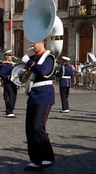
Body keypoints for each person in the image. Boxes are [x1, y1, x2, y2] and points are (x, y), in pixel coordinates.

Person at [23, 40, 55, 171]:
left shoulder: (49, 57)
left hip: (44, 95)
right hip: (33, 95)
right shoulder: (32, 58)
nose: (31, 45)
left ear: (42, 42)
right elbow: (26, 75)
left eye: (33, 43)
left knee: (38, 127)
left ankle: (48, 156)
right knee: (29, 129)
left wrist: (29, 63)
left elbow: (43, 70)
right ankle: (35, 159)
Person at [0, 50, 17, 118]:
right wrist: (8, 77)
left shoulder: (11, 64)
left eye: (11, 55)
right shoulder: (4, 65)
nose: (11, 57)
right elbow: (1, 74)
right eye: (10, 55)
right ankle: (9, 111)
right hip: (8, 83)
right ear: (6, 56)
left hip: (13, 83)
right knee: (9, 97)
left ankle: (11, 110)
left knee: (13, 97)